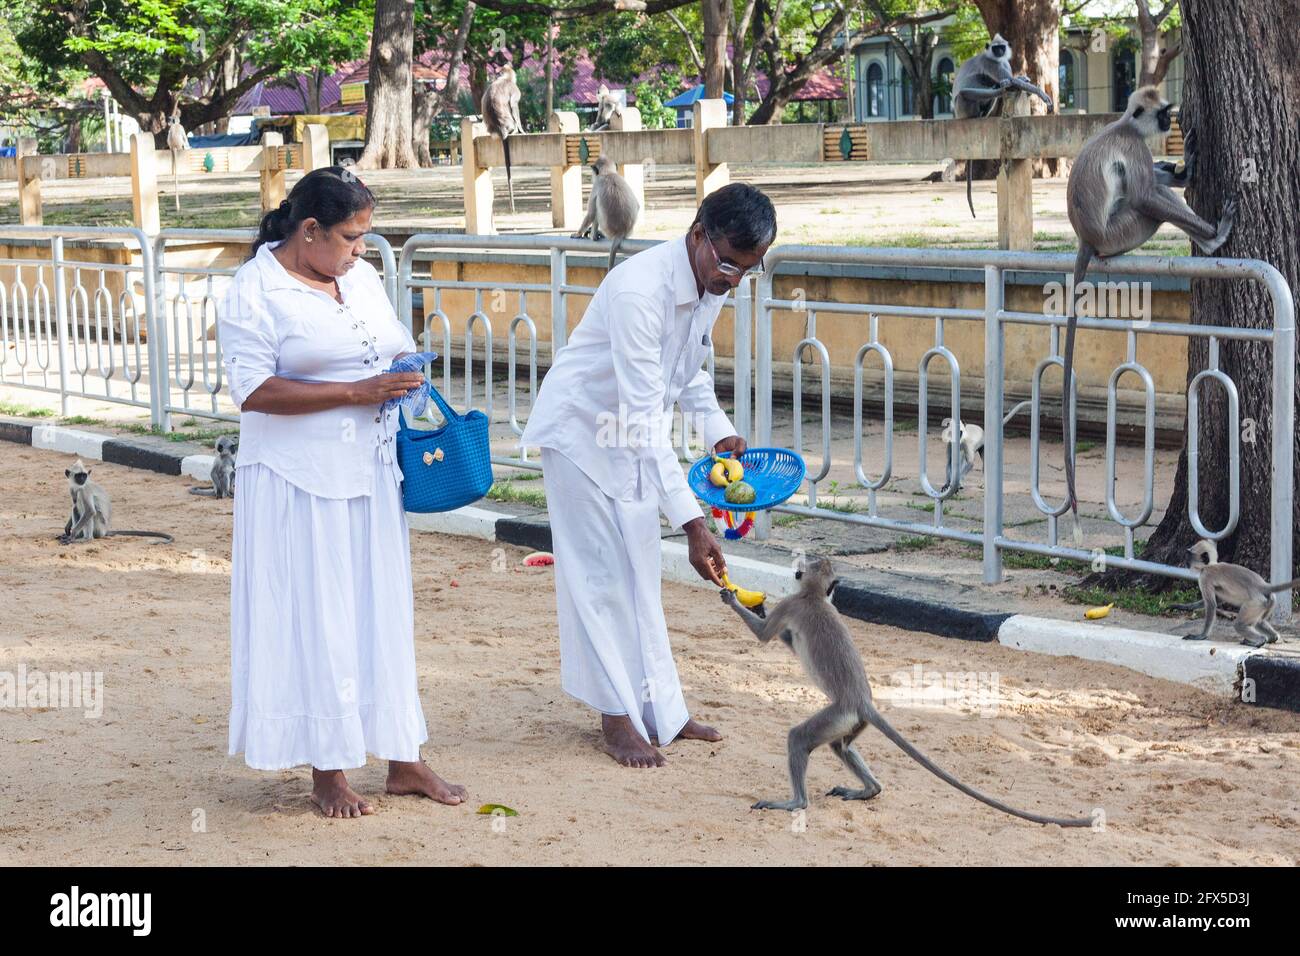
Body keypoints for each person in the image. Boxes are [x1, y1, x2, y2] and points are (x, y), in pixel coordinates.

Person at [218, 167, 466, 817]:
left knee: (382, 617)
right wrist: (356, 393)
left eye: (366, 237)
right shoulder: (255, 289)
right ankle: (329, 771)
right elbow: (252, 390)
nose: (362, 249)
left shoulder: (359, 276)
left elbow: (389, 344)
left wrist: (401, 373)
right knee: (320, 620)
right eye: (352, 237)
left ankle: (404, 760)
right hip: (297, 485)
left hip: (372, 473)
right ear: (309, 231)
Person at [522, 183, 776, 767]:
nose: (734, 279)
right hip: (582, 436)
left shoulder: (712, 278)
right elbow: (642, 419)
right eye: (730, 263)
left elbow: (687, 374)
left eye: (749, 268)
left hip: (631, 441)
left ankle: (665, 711)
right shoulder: (639, 290)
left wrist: (718, 431)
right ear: (699, 235)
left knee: (640, 575)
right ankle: (616, 718)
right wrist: (692, 524)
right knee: (599, 580)